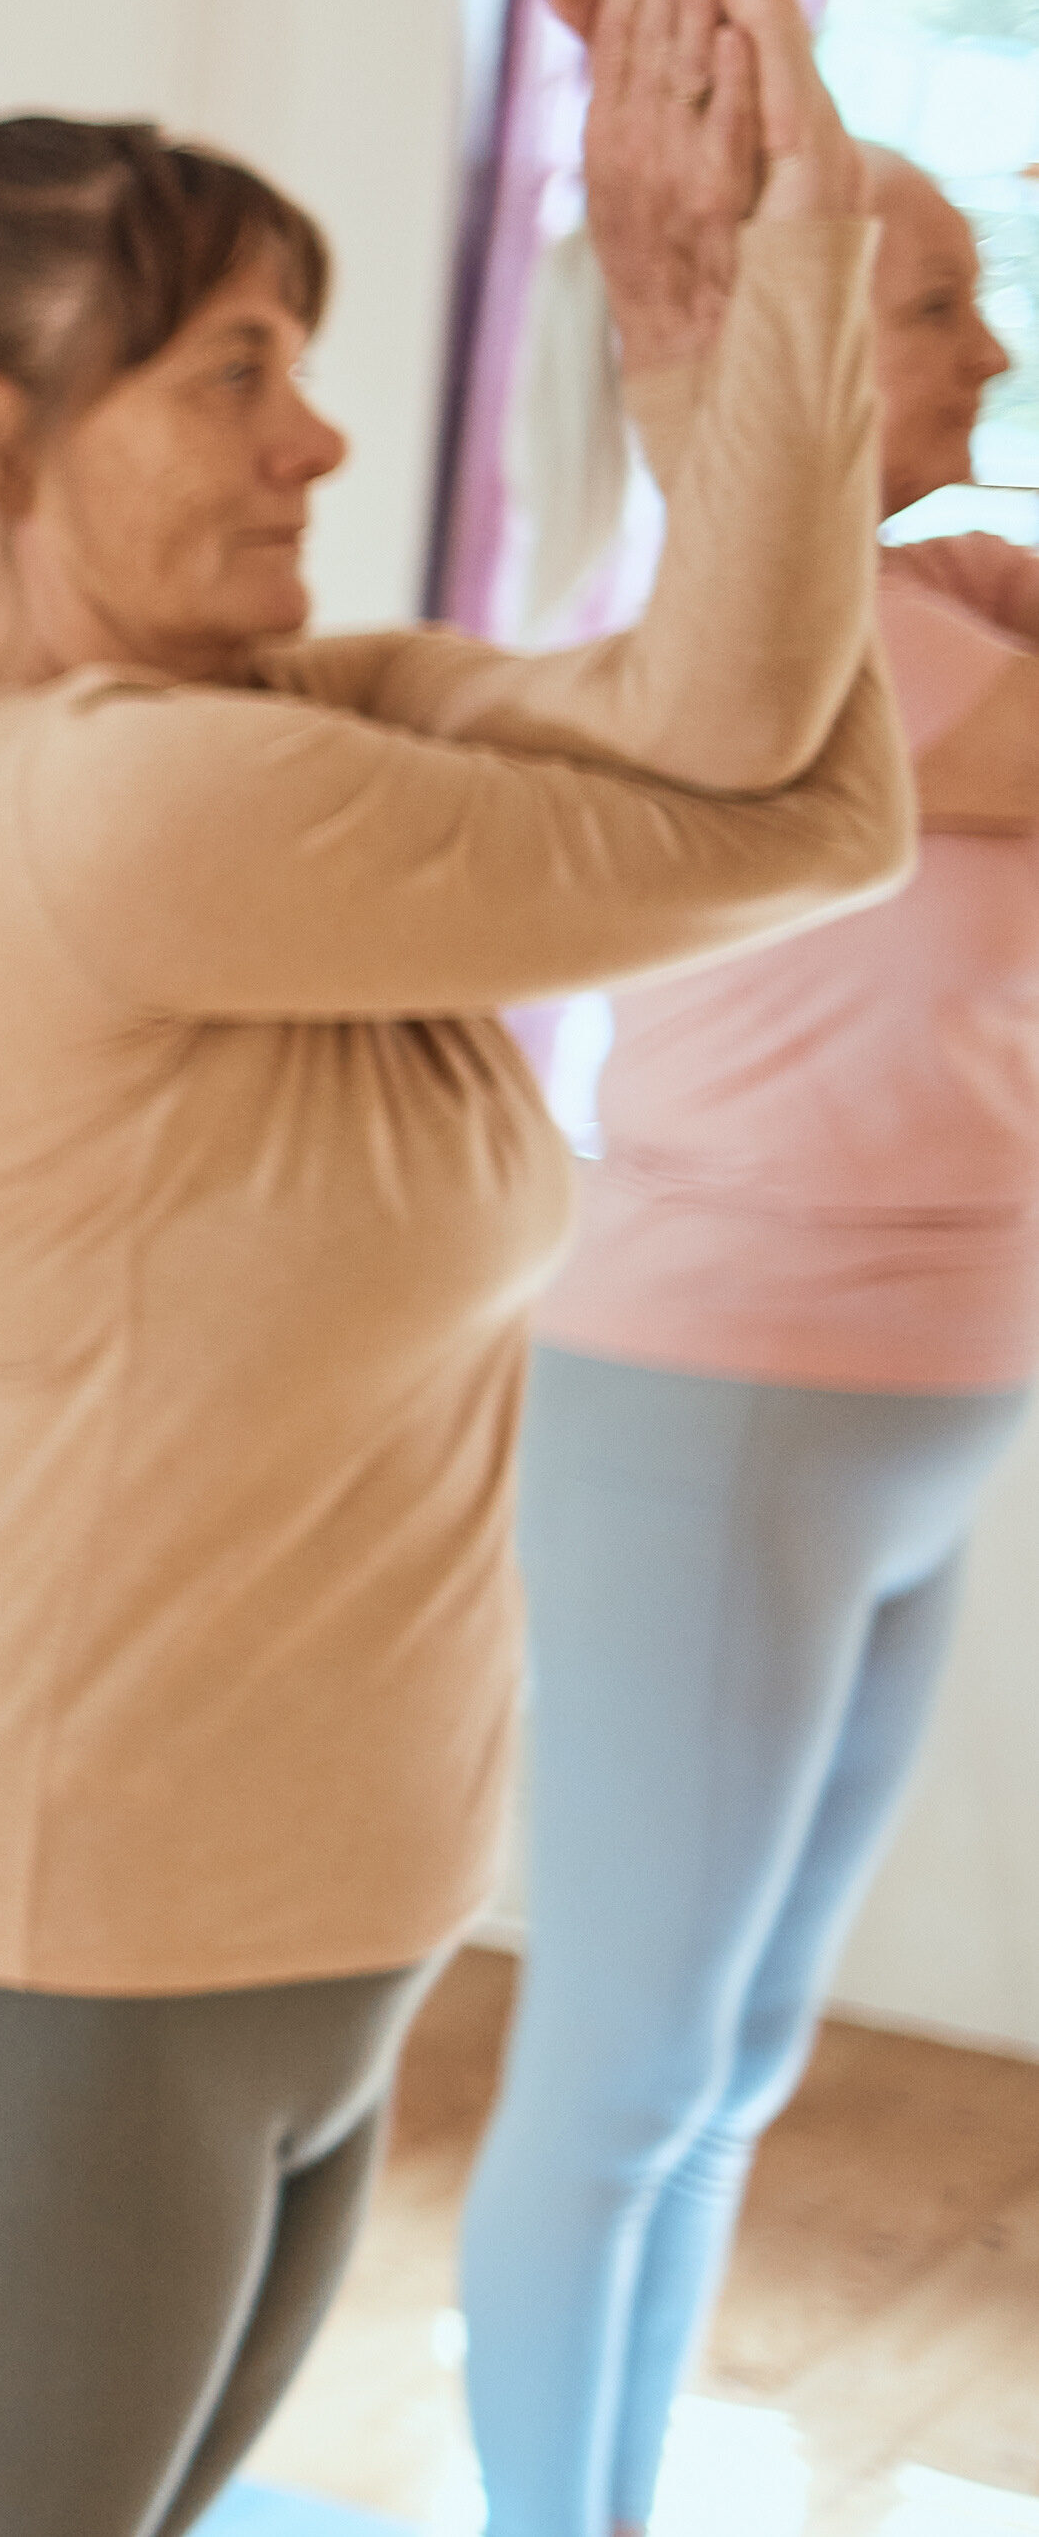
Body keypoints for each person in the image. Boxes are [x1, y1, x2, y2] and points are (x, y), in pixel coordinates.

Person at [0, 0, 910, 2537]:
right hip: (45, 1939)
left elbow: (772, 770)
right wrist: (776, 273)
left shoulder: (289, 724)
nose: (316, 441)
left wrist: (691, 291)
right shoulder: (110, 808)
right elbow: (789, 811)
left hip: (301, 1923)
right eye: (233, 372)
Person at [460, 140, 1025, 2537]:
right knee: (625, 2064)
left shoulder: (938, 605)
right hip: (719, 1409)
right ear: (772, 346)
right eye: (936, 314)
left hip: (923, 1395)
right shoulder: (791, 614)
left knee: (733, 2057)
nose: (994, 359)